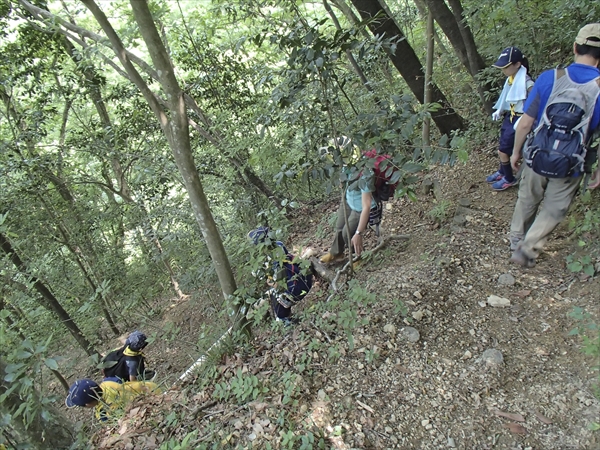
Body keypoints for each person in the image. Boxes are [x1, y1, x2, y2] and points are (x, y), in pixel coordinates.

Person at [509, 23, 600, 267]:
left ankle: (516, 237)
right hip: (572, 161)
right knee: (554, 208)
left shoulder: (550, 77)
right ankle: (526, 249)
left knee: (528, 197)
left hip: (537, 154)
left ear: (574, 47)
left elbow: (526, 123)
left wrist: (515, 152)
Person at [487, 46, 535, 191]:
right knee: (503, 144)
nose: (503, 70)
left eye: (506, 66)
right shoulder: (511, 79)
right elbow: (506, 98)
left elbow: (533, 102)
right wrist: (500, 110)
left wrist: (527, 118)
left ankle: (509, 178)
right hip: (510, 116)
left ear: (517, 64)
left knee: (503, 151)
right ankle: (503, 171)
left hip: (520, 119)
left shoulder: (527, 82)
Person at [319, 147, 377, 264]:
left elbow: (366, 206)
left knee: (348, 234)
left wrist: (358, 233)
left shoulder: (365, 173)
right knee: (340, 228)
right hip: (347, 200)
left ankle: (357, 258)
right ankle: (336, 253)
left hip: (359, 208)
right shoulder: (345, 165)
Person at [248, 227, 313, 325]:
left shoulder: (264, 260)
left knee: (276, 291)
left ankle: (283, 319)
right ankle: (285, 314)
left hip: (294, 289)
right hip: (305, 279)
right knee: (279, 285)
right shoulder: (279, 245)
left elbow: (270, 280)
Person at [65, 378, 160, 421]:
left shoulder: (103, 413)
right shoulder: (108, 382)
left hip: (150, 406)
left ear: (88, 405)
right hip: (152, 389)